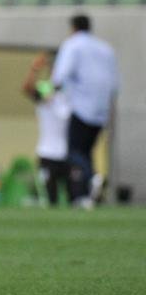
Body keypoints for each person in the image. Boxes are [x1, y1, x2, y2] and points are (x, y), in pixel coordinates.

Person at [51, 14, 119, 208]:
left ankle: (92, 178)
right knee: (86, 152)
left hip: (81, 107)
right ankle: (86, 194)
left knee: (74, 152)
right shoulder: (106, 49)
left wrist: (50, 92)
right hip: (101, 110)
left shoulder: (72, 45)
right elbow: (115, 84)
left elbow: (59, 76)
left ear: (73, 28)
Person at [22, 53, 70, 206]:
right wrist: (34, 69)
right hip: (48, 153)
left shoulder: (71, 92)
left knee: (74, 196)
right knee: (51, 197)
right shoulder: (46, 90)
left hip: (69, 153)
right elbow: (27, 89)